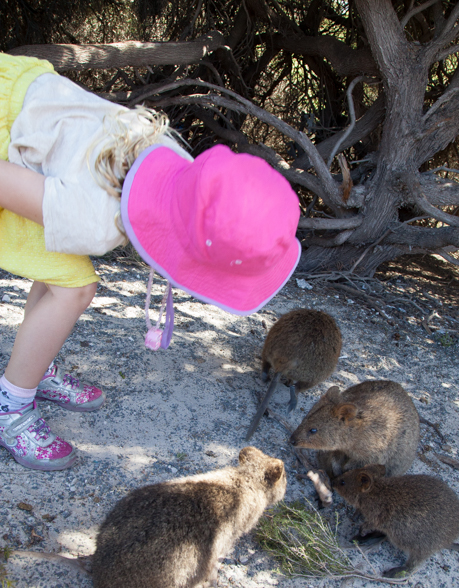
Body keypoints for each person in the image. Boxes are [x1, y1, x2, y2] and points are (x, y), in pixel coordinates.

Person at [0, 52, 301, 471]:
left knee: (59, 263)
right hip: (8, 128)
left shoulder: (171, 154)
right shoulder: (94, 218)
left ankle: (35, 364)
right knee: (74, 289)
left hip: (26, 96)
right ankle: (10, 406)